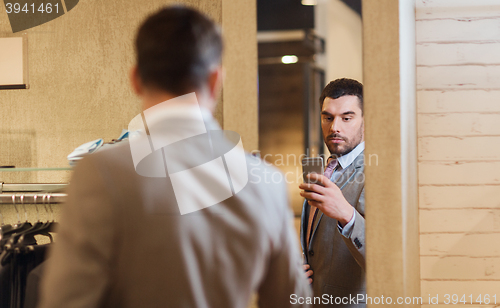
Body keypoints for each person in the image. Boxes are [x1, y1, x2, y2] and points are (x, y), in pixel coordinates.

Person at [39, 7, 311, 308]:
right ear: (215, 80)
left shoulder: (101, 174)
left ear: (136, 79)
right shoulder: (267, 183)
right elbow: (292, 302)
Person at [299, 78, 366, 307]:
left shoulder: (379, 174)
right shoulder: (324, 167)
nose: (335, 127)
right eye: (327, 117)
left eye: (347, 118)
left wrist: (347, 215)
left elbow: (387, 259)